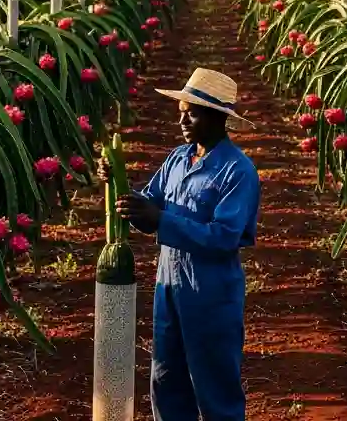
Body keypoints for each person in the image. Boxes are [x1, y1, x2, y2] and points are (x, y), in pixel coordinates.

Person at [98, 68, 260, 421]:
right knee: (166, 380)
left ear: (219, 118)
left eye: (193, 112)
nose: (183, 120)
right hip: (168, 286)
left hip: (211, 293)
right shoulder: (177, 159)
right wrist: (118, 183)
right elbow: (150, 203)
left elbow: (225, 237)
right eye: (181, 111)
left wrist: (161, 220)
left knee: (215, 386)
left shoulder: (238, 171)